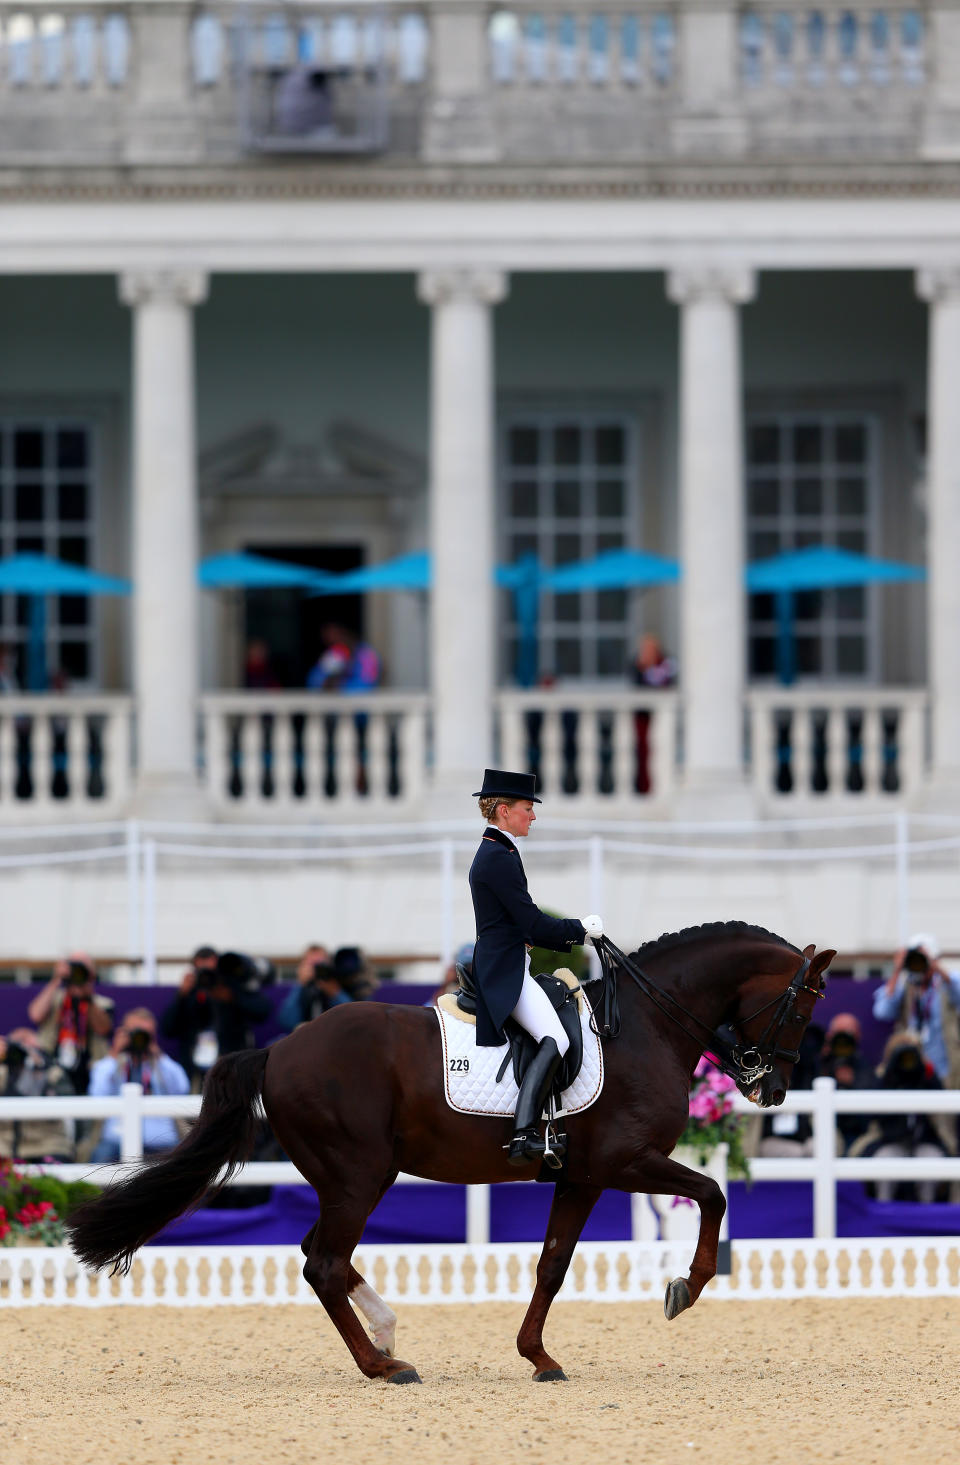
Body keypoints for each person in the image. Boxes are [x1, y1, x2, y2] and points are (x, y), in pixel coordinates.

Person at [469, 768, 602, 1166]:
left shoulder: (501, 851)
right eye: (528, 808)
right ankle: (525, 1132)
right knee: (556, 1038)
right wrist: (580, 929)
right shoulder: (497, 857)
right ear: (505, 811)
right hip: (503, 970)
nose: (533, 816)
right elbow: (531, 922)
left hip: (509, 960)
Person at [848, 1031, 951, 1202]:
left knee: (932, 1163)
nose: (907, 1058)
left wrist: (927, 1071)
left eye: (912, 1051)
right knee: (884, 1163)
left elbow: (941, 1100)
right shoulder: (883, 1075)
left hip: (923, 1140)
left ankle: (927, 1216)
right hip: (890, 1140)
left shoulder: (925, 1074)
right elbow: (869, 1114)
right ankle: (884, 1213)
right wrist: (890, 1073)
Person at [87, 1009, 190, 1164]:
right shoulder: (111, 1065)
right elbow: (97, 1094)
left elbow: (182, 1088)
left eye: (145, 1034)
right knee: (100, 1156)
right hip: (117, 1140)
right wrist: (115, 1052)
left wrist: (157, 1054)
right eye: (134, 1033)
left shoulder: (162, 1065)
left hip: (162, 1140)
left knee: (182, 1163)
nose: (139, 1039)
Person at [160, 947, 271, 1086]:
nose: (208, 977)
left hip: (234, 1067)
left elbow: (262, 1011)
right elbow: (168, 1028)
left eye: (212, 971)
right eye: (203, 971)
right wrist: (182, 996)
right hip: (197, 1070)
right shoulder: (190, 993)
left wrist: (232, 997)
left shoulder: (231, 988)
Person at [872, 933, 960, 1090]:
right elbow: (882, 1012)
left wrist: (934, 966)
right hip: (910, 1067)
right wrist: (897, 969)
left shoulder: (947, 983)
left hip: (944, 1068)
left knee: (942, 1112)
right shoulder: (904, 986)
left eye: (922, 960)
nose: (919, 966)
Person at [27, 954, 114, 1094]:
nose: (76, 973)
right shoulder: (55, 998)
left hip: (88, 1068)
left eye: (81, 968)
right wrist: (57, 979)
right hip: (53, 1066)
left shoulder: (102, 1003)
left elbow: (103, 1028)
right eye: (73, 967)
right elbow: (35, 1015)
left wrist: (87, 996)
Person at [0, 1027, 75, 1162]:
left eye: (28, 1044)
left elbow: (66, 1099)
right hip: (6, 1146)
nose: (23, 1050)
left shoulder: (53, 1072)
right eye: (17, 1044)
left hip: (47, 1145)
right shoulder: (3, 1073)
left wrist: (39, 1064)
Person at [818, 1012, 873, 1152]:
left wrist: (853, 1082)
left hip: (857, 1133)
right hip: (824, 1133)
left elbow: (871, 1106)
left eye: (848, 1033)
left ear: (858, 1036)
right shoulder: (819, 1062)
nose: (842, 1039)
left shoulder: (864, 1066)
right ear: (829, 1036)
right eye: (838, 1033)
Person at [630, 632, 677, 794]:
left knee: (661, 750)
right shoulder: (637, 664)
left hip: (661, 717)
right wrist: (642, 667)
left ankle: (661, 787)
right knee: (642, 753)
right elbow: (636, 686)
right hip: (643, 716)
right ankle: (643, 787)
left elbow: (670, 682)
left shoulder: (667, 664)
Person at [278, 943, 353, 1031]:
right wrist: (300, 985)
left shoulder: (341, 983)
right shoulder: (301, 989)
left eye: (320, 964)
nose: (316, 970)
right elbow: (287, 1022)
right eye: (312, 965)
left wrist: (335, 993)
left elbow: (352, 1017)